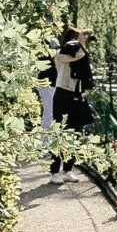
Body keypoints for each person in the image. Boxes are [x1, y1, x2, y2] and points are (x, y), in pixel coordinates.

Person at [50, 27, 96, 184]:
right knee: (60, 134)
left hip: (76, 95)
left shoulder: (79, 54)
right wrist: (79, 43)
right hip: (63, 95)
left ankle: (68, 170)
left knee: (75, 134)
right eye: (81, 37)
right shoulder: (63, 55)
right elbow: (78, 53)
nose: (84, 40)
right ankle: (54, 172)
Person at [36, 37, 59, 147]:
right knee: (49, 112)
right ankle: (45, 142)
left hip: (47, 83)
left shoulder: (43, 45)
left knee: (48, 112)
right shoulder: (49, 44)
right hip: (47, 83)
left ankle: (45, 140)